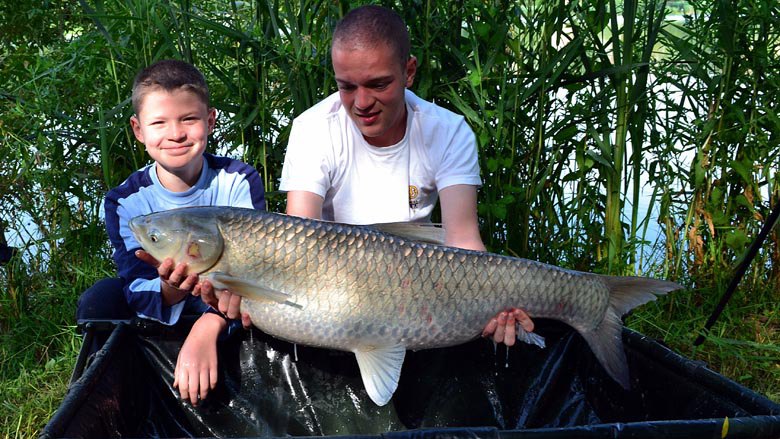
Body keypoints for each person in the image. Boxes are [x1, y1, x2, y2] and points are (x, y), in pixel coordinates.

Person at [278, 5, 534, 344]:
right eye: (347, 87)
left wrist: (495, 301)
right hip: (336, 294)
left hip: (421, 292)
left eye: (378, 84)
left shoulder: (448, 131)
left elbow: (463, 240)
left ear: (409, 71)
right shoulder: (312, 129)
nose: (361, 102)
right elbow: (301, 245)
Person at [76, 59, 264, 406]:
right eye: (159, 122)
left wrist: (207, 326)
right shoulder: (126, 202)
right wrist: (172, 287)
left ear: (210, 121)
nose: (175, 134)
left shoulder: (238, 180)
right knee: (99, 300)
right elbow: (136, 290)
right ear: (138, 130)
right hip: (162, 313)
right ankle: (117, 401)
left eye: (188, 119)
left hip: (229, 311)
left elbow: (251, 273)